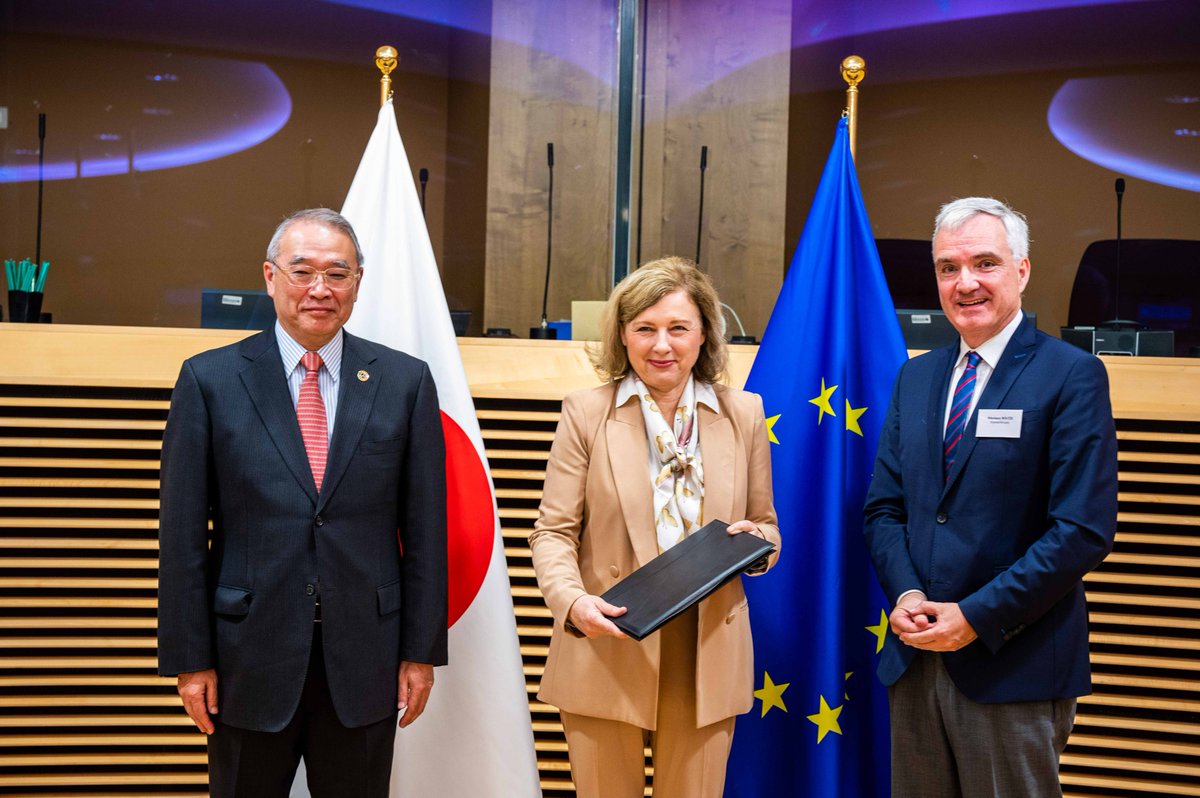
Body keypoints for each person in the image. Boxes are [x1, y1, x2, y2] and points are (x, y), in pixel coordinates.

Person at [156, 208, 448, 797]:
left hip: (366, 657)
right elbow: (183, 536)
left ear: (358, 282)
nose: (320, 289)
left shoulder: (404, 381)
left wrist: (420, 653)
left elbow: (425, 533)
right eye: (302, 271)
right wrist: (191, 660)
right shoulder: (210, 380)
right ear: (269, 277)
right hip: (246, 658)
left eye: (338, 274)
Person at [864, 197, 1118, 796]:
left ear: (1022, 270)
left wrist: (975, 617)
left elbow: (1082, 529)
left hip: (1014, 665)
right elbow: (885, 508)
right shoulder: (916, 375)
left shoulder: (1070, 374)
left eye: (985, 263)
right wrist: (908, 594)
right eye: (948, 268)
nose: (965, 282)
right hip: (917, 656)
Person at [529, 256, 780, 798]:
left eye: (677, 328)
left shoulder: (745, 413)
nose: (660, 345)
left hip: (707, 646)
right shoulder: (585, 412)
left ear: (704, 334)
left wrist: (759, 546)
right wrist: (573, 602)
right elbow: (552, 531)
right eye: (644, 328)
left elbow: (764, 524)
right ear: (623, 335)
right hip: (607, 638)